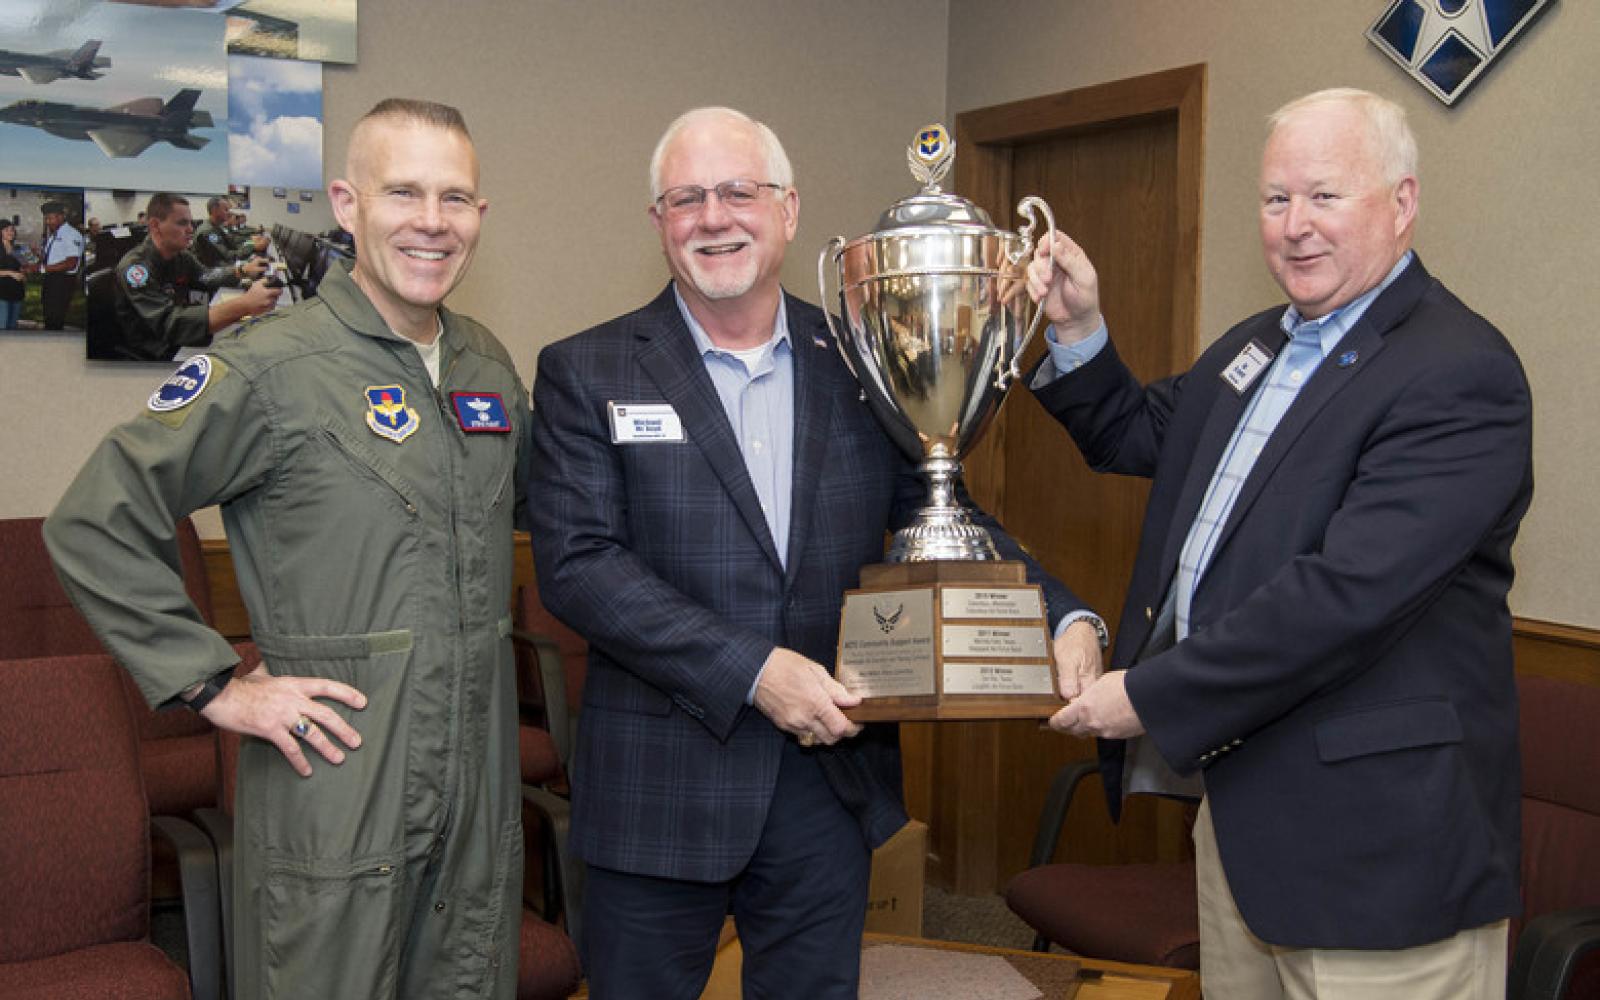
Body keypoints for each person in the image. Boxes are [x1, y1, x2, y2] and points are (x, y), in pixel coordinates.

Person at [529, 105, 1106, 998]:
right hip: (659, 788)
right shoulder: (587, 369)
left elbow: (939, 506)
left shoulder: (860, 357)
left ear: (789, 211)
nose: (713, 217)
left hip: (825, 778)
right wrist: (756, 671)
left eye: (737, 192)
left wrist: (1060, 610)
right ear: (658, 223)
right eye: (686, 198)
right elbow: (579, 566)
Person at [1026, 87, 1531, 999]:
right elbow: (1138, 434)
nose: (1295, 226)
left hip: (1382, 860)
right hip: (1244, 828)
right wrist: (1075, 327)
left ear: (1402, 202)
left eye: (1325, 196)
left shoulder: (1460, 372)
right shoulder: (1256, 347)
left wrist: (1145, 693)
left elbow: (1345, 597)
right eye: (1275, 199)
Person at [46, 97, 530, 999]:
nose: (432, 222)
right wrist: (215, 683)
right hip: (338, 784)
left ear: (480, 216)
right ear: (346, 204)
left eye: (455, 198)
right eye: (404, 193)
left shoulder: (489, 368)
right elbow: (93, 518)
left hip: (476, 795)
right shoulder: (271, 368)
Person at [104, 192, 277, 362]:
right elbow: (168, 323)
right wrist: (245, 304)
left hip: (181, 336)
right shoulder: (135, 269)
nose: (190, 229)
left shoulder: (180, 256)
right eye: (182, 223)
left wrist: (241, 271)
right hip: (156, 349)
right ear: (155, 226)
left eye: (190, 223)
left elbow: (206, 276)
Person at [31, 201, 83, 330]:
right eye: (46, 219)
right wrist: (38, 255)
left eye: (50, 218)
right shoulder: (55, 235)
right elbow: (51, 259)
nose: (48, 222)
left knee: (55, 320)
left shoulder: (71, 234)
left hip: (62, 282)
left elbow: (71, 263)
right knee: (49, 317)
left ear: (61, 217)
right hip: (52, 280)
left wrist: (42, 268)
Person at [194, 194, 267, 270]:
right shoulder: (208, 232)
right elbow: (227, 256)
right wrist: (252, 246)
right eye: (226, 210)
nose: (229, 213)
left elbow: (233, 244)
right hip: (214, 272)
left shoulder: (217, 227)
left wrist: (251, 243)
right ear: (215, 210)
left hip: (222, 266)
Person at [0, 221, 23, 329]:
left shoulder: (18, 248)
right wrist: (10, 273)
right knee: (3, 325)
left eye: (12, 230)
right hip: (2, 293)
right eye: (6, 230)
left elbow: (29, 264)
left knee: (12, 328)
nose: (11, 232)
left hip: (17, 292)